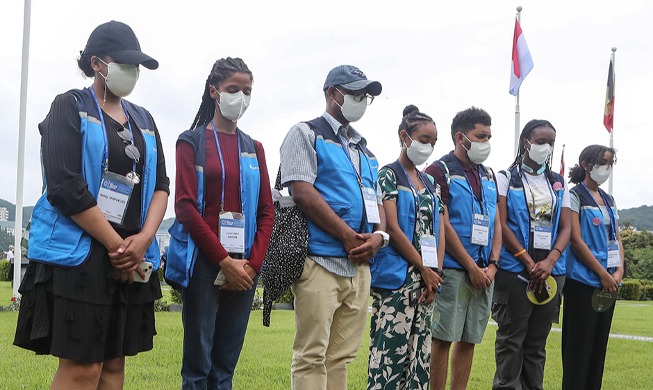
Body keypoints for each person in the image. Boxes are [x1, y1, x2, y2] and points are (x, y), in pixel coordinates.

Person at [13, 20, 169, 389]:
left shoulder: (143, 120)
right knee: (84, 367)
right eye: (126, 63)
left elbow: (161, 186)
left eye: (137, 66)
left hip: (132, 252)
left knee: (114, 365)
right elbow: (65, 186)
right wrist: (117, 247)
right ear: (97, 63)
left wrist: (143, 239)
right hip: (82, 254)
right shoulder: (69, 106)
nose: (132, 72)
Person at [165, 57, 274, 389]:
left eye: (247, 91)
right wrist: (224, 261)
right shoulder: (191, 141)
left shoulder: (254, 148)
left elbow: (268, 212)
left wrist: (250, 267)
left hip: (245, 270)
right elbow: (184, 206)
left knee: (225, 367)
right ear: (214, 91)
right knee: (198, 367)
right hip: (204, 265)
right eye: (232, 89)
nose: (240, 97)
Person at [280, 64, 387, 390]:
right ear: (332, 94)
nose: (362, 101)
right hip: (320, 262)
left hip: (359, 269)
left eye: (366, 97)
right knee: (312, 355)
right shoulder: (305, 133)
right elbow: (301, 191)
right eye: (356, 94)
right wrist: (346, 236)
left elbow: (378, 204)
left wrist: (379, 237)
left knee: (341, 357)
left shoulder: (366, 152)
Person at [368, 105, 445, 390]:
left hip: (428, 281)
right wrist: (424, 268)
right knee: (389, 354)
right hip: (398, 278)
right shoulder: (387, 175)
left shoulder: (431, 182)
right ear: (405, 136)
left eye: (433, 142)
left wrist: (434, 272)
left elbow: (439, 229)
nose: (429, 147)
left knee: (418, 356)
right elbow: (392, 228)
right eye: (424, 140)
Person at [424, 106, 502, 390]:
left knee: (469, 339)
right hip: (456, 270)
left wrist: (492, 265)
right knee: (443, 338)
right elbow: (443, 223)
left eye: (489, 136)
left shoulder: (489, 174)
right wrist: (471, 266)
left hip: (485, 271)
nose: (486, 143)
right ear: (460, 137)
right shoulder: (439, 171)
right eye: (480, 136)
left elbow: (496, 221)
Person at [492, 120, 570, 390]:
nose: (546, 147)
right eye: (540, 141)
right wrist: (528, 261)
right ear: (526, 141)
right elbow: (501, 224)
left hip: (551, 273)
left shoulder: (558, 182)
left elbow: (567, 227)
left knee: (537, 343)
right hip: (515, 270)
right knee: (512, 339)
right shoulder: (505, 177)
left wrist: (550, 261)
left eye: (550, 142)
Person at [562, 145, 623, 390]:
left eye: (610, 164)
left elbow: (617, 238)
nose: (606, 169)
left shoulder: (609, 200)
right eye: (603, 163)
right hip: (583, 282)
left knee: (598, 351)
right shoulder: (575, 196)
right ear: (587, 165)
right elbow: (575, 240)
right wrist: (601, 273)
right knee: (579, 350)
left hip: (608, 284)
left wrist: (617, 273)